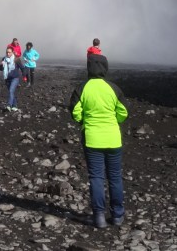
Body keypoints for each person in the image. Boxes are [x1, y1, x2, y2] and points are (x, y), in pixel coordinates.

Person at [70, 57, 129, 228]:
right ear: (105, 68)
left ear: (88, 69)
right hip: (113, 138)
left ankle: (99, 217)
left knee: (96, 177)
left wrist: (83, 122)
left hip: (92, 138)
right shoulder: (113, 88)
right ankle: (117, 215)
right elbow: (123, 112)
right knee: (115, 177)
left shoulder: (83, 88)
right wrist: (114, 121)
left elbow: (75, 111)